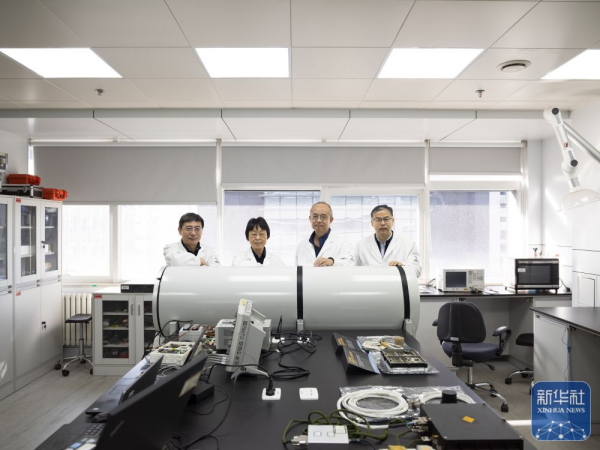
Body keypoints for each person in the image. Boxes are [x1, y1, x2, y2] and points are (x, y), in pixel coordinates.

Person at [354, 204, 421, 277]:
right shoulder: (361, 245)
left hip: (396, 284)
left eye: (386, 219)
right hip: (370, 284)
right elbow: (353, 271)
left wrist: (402, 266)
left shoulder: (408, 244)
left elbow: (417, 271)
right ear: (372, 223)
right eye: (378, 219)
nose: (382, 223)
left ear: (392, 221)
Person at [296, 202, 354, 267]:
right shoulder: (302, 245)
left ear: (331, 220)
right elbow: (297, 271)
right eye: (315, 216)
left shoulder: (342, 244)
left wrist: (332, 261)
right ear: (310, 219)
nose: (318, 220)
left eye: (323, 217)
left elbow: (350, 265)